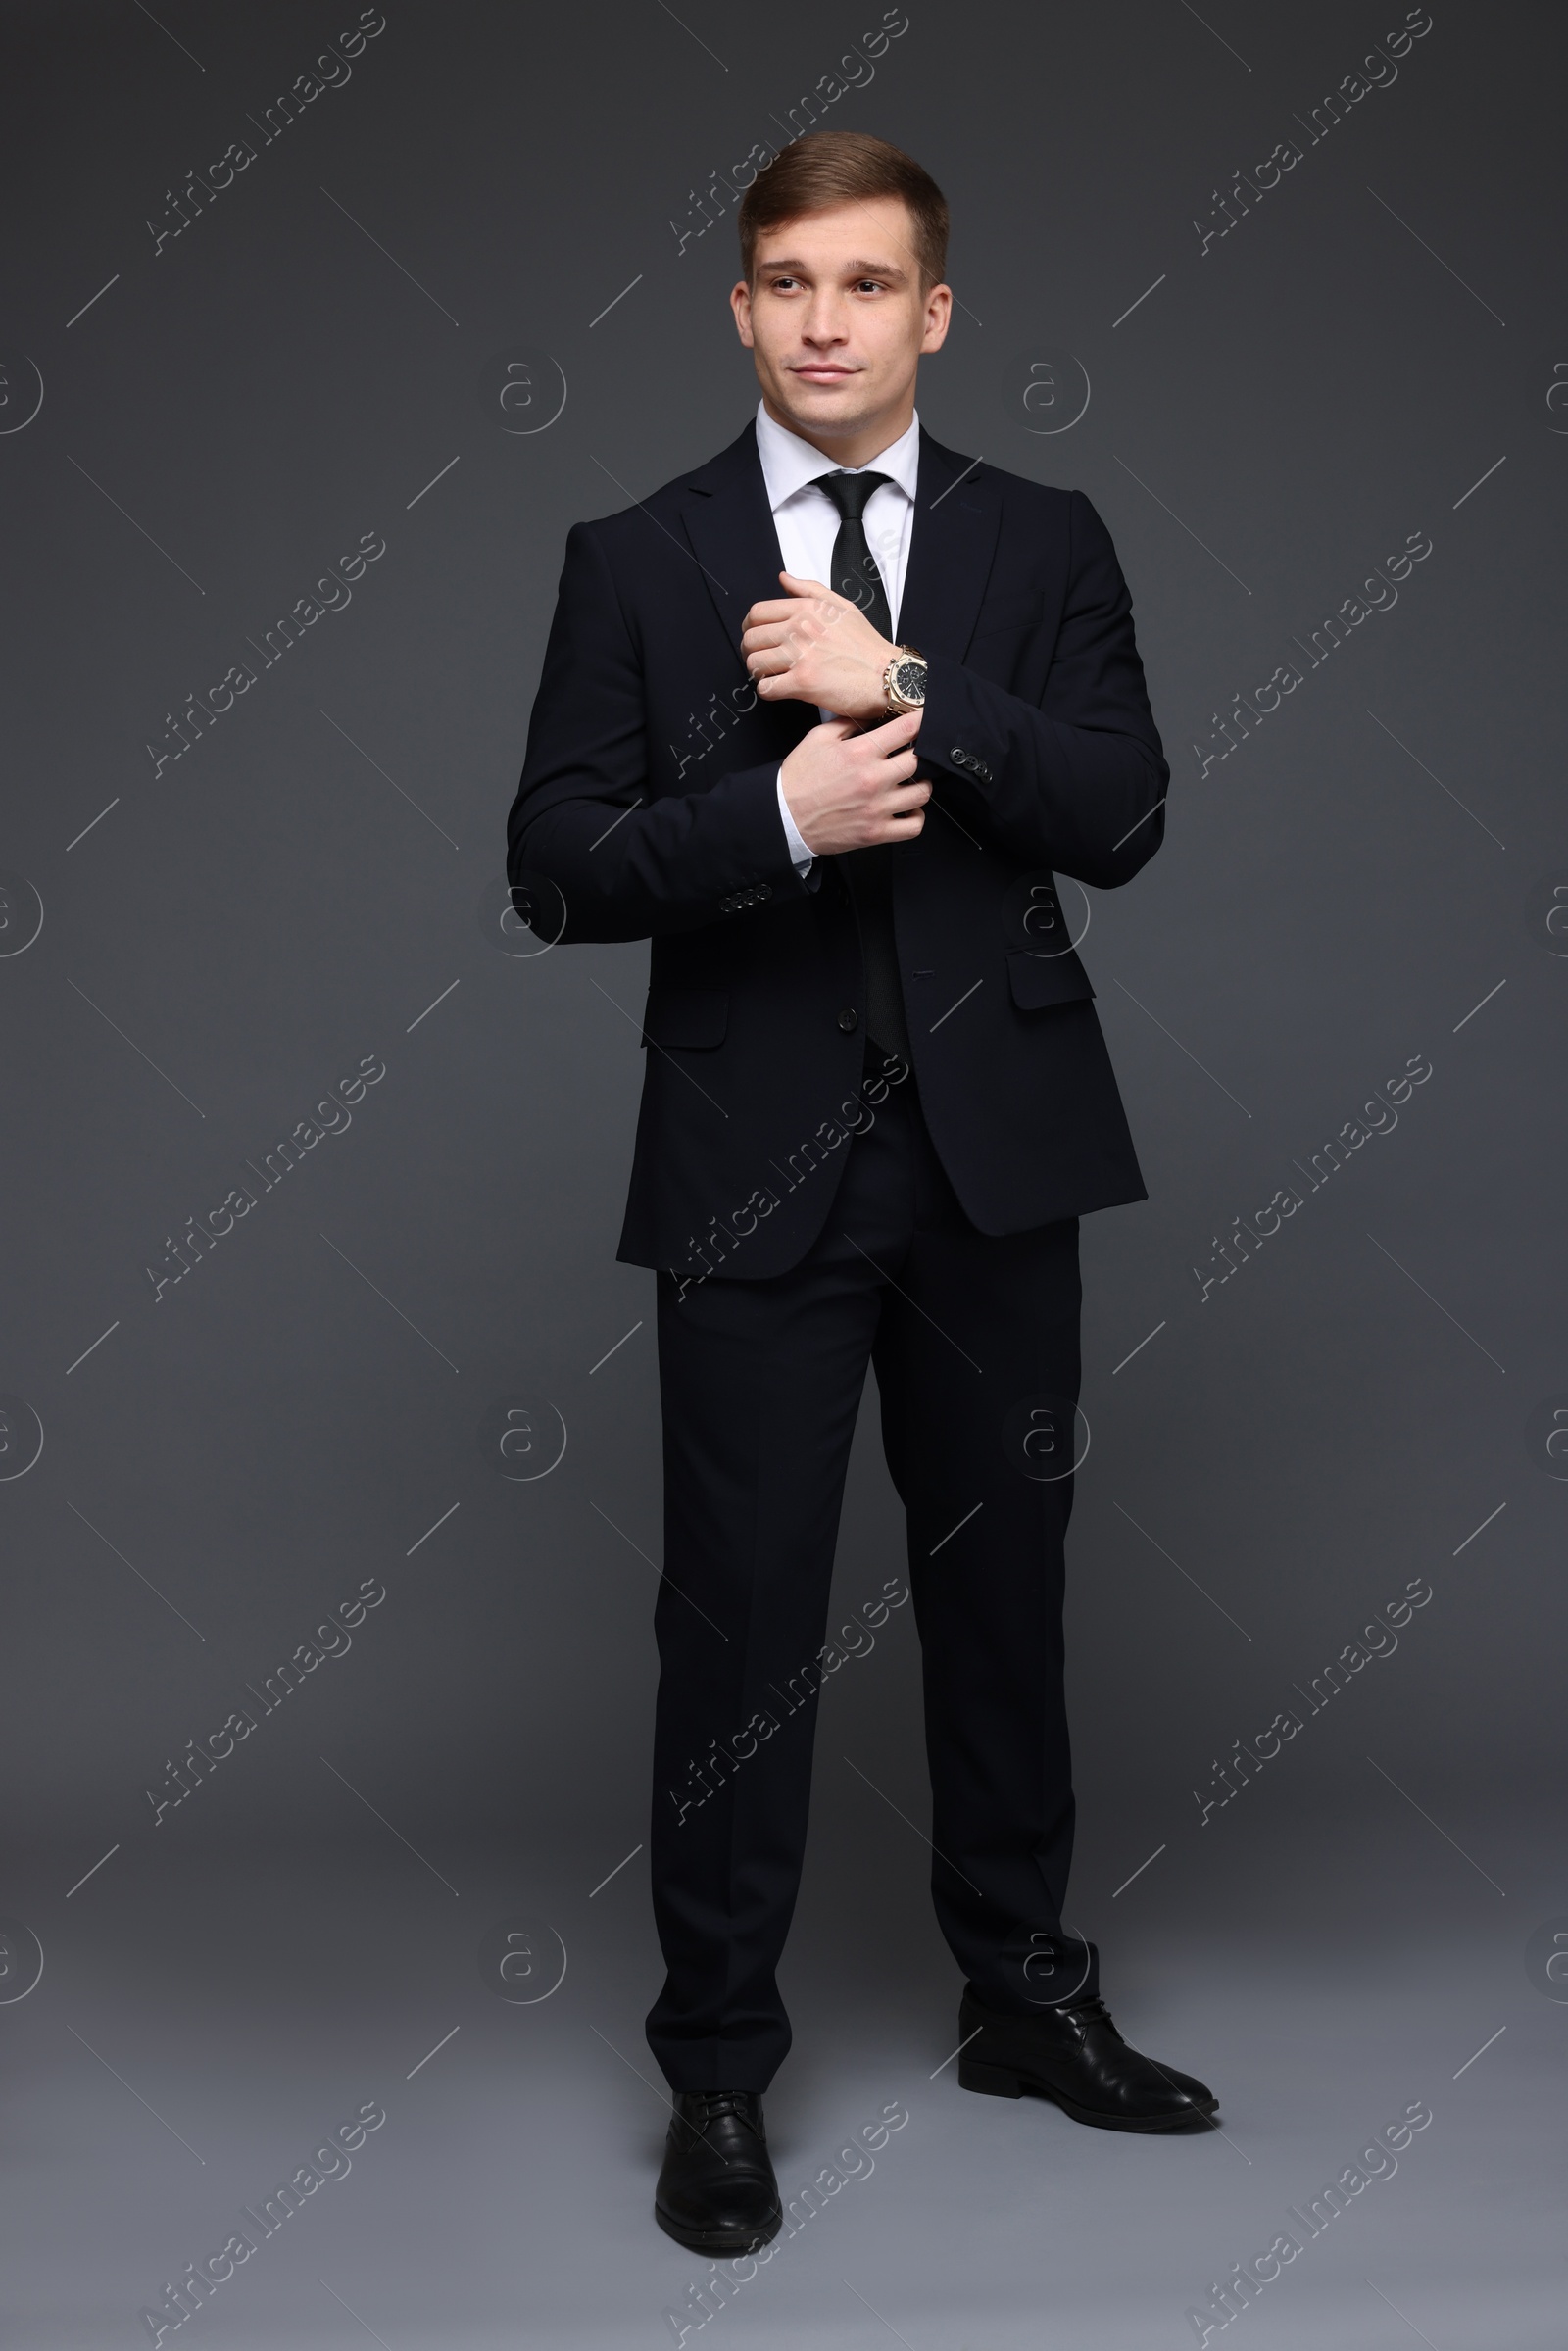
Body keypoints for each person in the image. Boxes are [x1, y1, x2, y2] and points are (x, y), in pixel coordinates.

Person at [508, 128, 1217, 2257]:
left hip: (997, 1169)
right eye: (786, 284)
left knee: (1004, 1604)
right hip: (748, 1185)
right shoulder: (633, 557)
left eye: (866, 283)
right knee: (733, 1629)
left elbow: (1118, 812)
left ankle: (1020, 2000)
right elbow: (550, 866)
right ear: (739, 311)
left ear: (932, 312)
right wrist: (780, 816)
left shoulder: (1041, 539)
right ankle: (715, 2075)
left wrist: (900, 687)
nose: (824, 321)